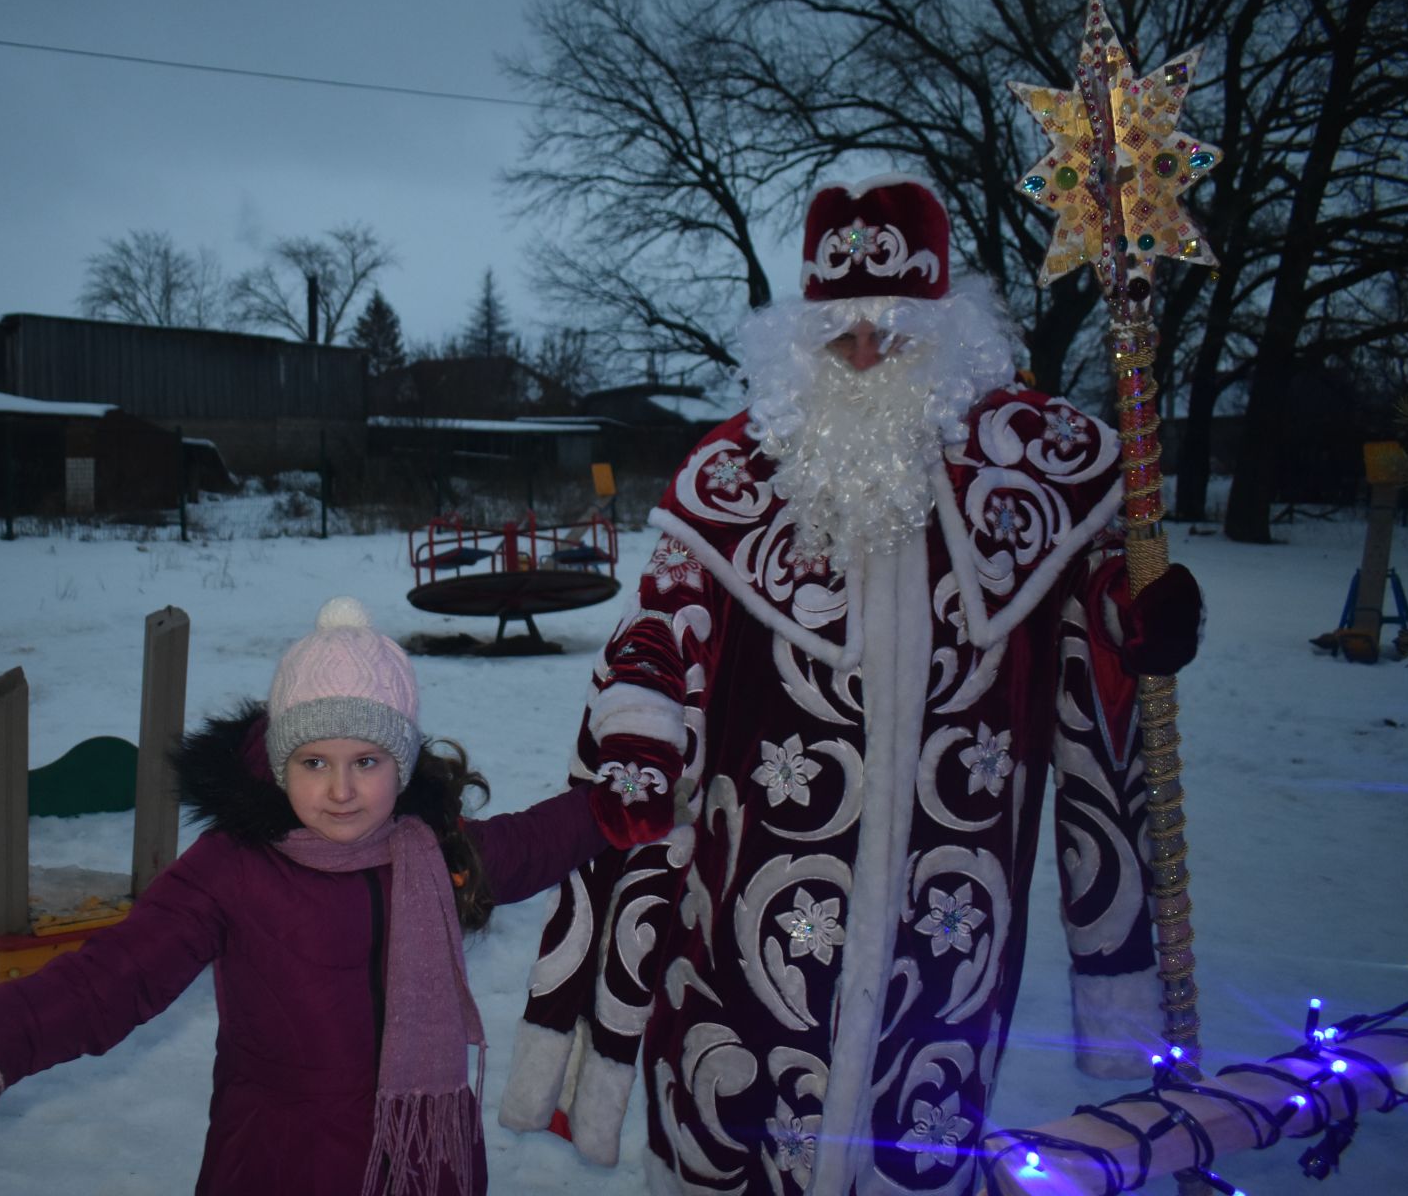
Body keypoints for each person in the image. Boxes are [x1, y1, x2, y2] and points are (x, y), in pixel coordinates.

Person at [496, 177, 1204, 1194]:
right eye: (841, 339)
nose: (866, 359)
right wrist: (641, 735)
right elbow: (658, 629)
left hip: (949, 917)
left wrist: (1135, 622)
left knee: (916, 1133)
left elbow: (1091, 648)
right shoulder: (731, 477)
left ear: (948, 335)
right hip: (748, 919)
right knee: (728, 1126)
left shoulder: (1029, 480)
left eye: (893, 334)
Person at [0, 595, 611, 1196]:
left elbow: (531, 844)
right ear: (279, 764)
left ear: (403, 765)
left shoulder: (430, 849)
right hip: (282, 1159)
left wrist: (621, 803)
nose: (341, 791)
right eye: (314, 763)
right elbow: (115, 974)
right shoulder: (232, 867)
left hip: (417, 1159)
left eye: (367, 761)